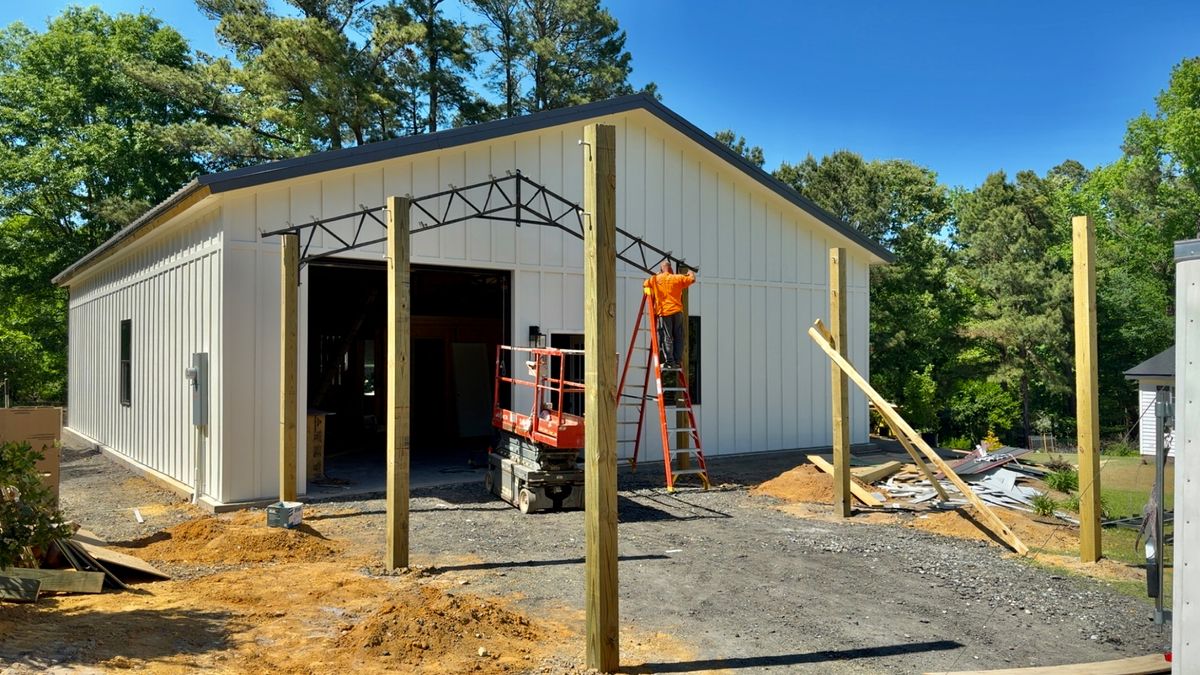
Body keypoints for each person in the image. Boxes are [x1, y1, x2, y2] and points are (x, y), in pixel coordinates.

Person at [643, 261, 695, 369]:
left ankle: (669, 361)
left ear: (662, 268)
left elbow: (645, 284)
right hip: (677, 312)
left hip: (665, 312)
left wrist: (656, 275)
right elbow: (692, 279)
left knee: (667, 336)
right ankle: (677, 361)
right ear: (670, 268)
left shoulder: (655, 279)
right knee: (679, 336)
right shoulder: (677, 278)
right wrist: (690, 272)